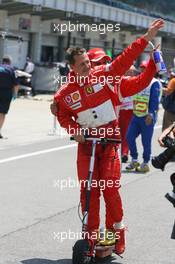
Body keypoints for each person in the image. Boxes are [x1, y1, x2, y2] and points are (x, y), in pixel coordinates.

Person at [54, 19, 164, 255]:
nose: (90, 67)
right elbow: (62, 114)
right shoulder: (65, 93)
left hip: (111, 142)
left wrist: (147, 38)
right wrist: (75, 131)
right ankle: (90, 239)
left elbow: (126, 58)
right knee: (88, 191)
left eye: (89, 63)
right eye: (84, 64)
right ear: (72, 67)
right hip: (88, 147)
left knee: (110, 189)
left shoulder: (107, 75)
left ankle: (116, 234)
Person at [126, 61, 161, 173]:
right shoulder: (137, 80)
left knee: (146, 141)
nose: (142, 70)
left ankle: (145, 162)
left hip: (147, 117)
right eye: (141, 68)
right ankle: (134, 159)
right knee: (129, 137)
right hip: (136, 115)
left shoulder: (154, 82)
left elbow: (155, 100)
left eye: (144, 68)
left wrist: (151, 113)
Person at [119, 65, 137, 163]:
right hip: (121, 110)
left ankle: (125, 152)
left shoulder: (136, 81)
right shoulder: (120, 80)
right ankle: (122, 153)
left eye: (132, 71)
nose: (131, 73)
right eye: (129, 71)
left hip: (132, 111)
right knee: (121, 133)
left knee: (128, 134)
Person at [0, 55, 19, 138]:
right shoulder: (12, 70)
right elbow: (16, 85)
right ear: (10, 62)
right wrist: (15, 94)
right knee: (2, 113)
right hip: (6, 93)